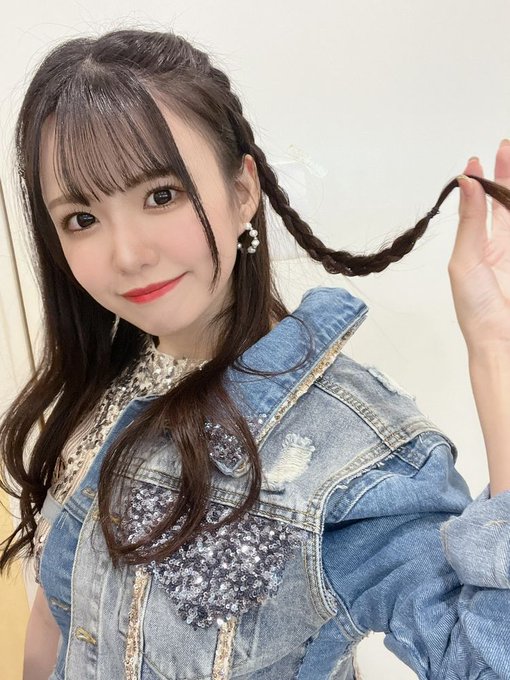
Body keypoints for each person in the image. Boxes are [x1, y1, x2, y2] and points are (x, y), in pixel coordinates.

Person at [0, 27, 509, 680]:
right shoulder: (104, 384)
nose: (126, 255)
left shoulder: (348, 449)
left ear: (243, 190)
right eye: (82, 218)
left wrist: (496, 352)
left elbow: (482, 661)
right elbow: (61, 617)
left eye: (161, 195)